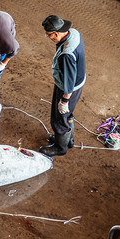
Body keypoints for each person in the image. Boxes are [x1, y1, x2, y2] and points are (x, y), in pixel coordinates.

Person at [40, 15, 86, 157]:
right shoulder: (74, 33)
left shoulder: (66, 54)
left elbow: (69, 80)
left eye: (49, 35)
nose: (49, 38)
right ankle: (68, 140)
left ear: (56, 33)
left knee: (59, 116)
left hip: (68, 88)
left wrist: (64, 100)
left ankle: (60, 147)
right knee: (67, 114)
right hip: (78, 82)